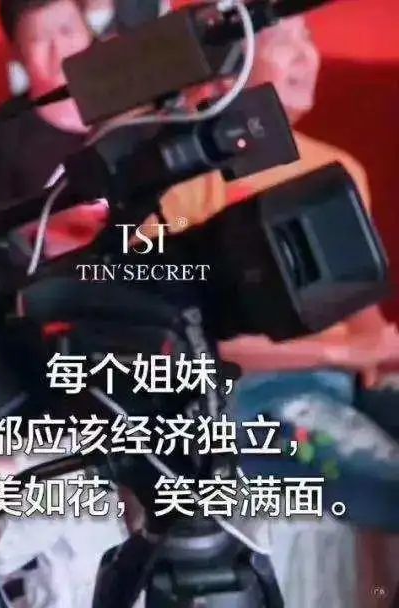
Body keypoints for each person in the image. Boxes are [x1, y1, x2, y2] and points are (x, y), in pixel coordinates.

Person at [159, 15, 399, 380]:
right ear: (227, 73)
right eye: (283, 42)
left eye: (307, 37)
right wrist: (339, 353)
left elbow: (355, 298)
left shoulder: (337, 168)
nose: (306, 55)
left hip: (336, 378)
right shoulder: (180, 178)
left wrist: (378, 350)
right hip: (240, 383)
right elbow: (179, 334)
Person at [0, 0, 93, 203]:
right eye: (39, 39)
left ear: (89, 31)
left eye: (67, 30)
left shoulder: (135, 102)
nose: (58, 49)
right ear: (17, 53)